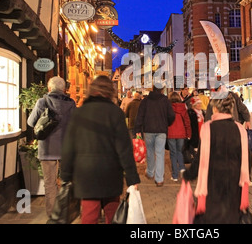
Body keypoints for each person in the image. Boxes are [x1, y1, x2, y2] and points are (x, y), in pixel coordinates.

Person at [59, 76, 140, 224]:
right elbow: (124, 149)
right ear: (110, 92)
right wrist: (132, 178)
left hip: (86, 174)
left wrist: (65, 174)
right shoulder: (115, 113)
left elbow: (69, 146)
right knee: (113, 214)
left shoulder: (79, 113)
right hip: (111, 172)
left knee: (89, 215)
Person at [182, 93, 250, 224]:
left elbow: (199, 158)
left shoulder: (208, 128)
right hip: (235, 183)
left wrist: (188, 175)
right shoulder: (240, 129)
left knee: (213, 219)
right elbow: (248, 159)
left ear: (215, 108)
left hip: (212, 183)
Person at [26, 76, 76, 218]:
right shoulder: (71, 103)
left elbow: (31, 122)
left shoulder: (43, 102)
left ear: (49, 88)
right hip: (66, 149)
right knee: (67, 182)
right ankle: (67, 213)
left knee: (49, 184)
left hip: (47, 149)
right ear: (64, 89)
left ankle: (53, 216)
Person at [134, 86, 175, 187]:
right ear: (161, 89)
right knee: (160, 153)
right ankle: (159, 179)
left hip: (148, 130)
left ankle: (150, 172)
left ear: (152, 88)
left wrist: (137, 129)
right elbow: (171, 115)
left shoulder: (145, 101)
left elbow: (140, 116)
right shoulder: (165, 101)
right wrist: (167, 123)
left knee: (150, 151)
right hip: (161, 130)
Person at [167, 92, 191, 182]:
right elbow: (187, 122)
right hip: (181, 133)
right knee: (180, 152)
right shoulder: (183, 108)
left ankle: (175, 175)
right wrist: (188, 134)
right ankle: (182, 169)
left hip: (171, 133)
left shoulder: (168, 108)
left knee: (173, 154)